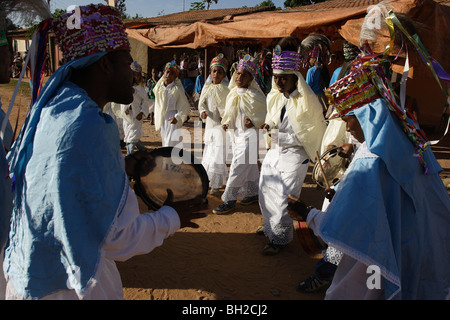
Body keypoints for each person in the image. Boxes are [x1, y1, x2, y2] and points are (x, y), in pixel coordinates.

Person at [3, 4, 208, 300]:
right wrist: (172, 217)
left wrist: (119, 168)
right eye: (127, 62)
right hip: (66, 289)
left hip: (30, 278)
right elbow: (116, 238)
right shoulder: (89, 125)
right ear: (105, 65)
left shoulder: (53, 110)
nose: (132, 73)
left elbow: (64, 185)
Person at [287, 55, 450, 299]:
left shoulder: (371, 158)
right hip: (426, 251)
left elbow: (343, 227)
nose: (348, 127)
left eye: (349, 119)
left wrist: (305, 213)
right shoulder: (411, 141)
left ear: (367, 114)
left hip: (379, 259)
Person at [297, 40, 361, 292]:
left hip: (355, 181)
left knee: (339, 230)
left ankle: (325, 274)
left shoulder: (368, 114)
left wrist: (353, 149)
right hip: (344, 179)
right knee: (334, 227)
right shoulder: (343, 108)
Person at [258, 37, 326, 255]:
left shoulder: (308, 101)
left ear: (294, 78)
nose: (278, 83)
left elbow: (307, 134)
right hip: (274, 152)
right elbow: (272, 118)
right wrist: (268, 125)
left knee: (284, 198)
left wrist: (276, 134)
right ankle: (270, 227)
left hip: (295, 157)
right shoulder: (275, 97)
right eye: (276, 78)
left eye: (283, 79)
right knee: (266, 190)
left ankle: (280, 238)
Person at [212, 54, 266, 214]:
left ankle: (229, 199)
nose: (239, 76)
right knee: (248, 166)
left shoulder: (255, 96)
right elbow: (229, 111)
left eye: (244, 74)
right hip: (236, 136)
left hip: (250, 137)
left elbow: (264, 114)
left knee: (236, 166)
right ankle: (253, 192)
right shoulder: (233, 92)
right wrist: (226, 122)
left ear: (250, 78)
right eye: (237, 73)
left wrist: (255, 122)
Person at [198, 54, 230, 196]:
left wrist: (227, 119)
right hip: (210, 126)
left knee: (218, 155)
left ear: (224, 74)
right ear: (210, 73)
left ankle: (216, 184)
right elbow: (201, 103)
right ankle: (209, 180)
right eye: (214, 71)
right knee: (209, 154)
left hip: (221, 127)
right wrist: (203, 111)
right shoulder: (207, 88)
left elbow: (229, 108)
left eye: (220, 71)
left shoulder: (226, 90)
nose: (216, 74)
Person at [153, 61, 190, 147]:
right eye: (167, 72)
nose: (169, 75)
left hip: (172, 117)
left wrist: (177, 117)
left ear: (175, 77)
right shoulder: (159, 88)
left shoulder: (177, 89)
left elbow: (185, 106)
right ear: (164, 73)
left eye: (172, 73)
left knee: (170, 142)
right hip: (162, 117)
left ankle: (170, 159)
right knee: (165, 140)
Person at [121, 61, 151, 156]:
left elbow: (146, 102)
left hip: (137, 115)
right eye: (133, 74)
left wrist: (142, 112)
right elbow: (123, 99)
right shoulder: (125, 87)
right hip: (127, 116)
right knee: (130, 135)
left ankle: (129, 155)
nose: (135, 77)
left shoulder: (141, 89)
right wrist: (124, 107)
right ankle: (143, 150)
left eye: (137, 75)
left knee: (132, 136)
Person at [301, 34, 331, 116]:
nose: (309, 60)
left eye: (310, 58)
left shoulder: (311, 71)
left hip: (314, 97)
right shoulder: (321, 68)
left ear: (314, 59)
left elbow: (308, 85)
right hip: (322, 97)